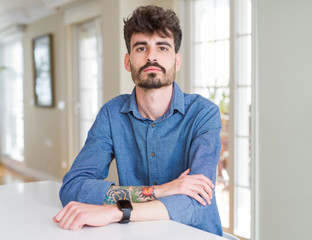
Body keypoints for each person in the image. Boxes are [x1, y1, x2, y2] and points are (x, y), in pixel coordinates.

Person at [53, 5, 223, 236]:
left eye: (162, 47)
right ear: (128, 61)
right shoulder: (111, 114)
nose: (151, 56)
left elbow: (196, 200)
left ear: (177, 60)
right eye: (141, 47)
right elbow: (73, 187)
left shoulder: (204, 113)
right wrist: (160, 190)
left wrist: (116, 211)